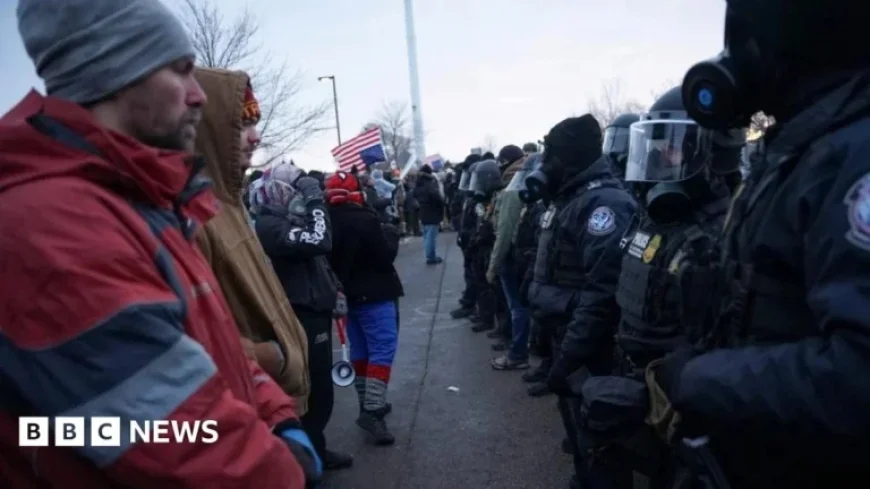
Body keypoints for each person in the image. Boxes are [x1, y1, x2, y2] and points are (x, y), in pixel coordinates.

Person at [0, 1, 319, 487]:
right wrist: (283, 471)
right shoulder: (55, 225)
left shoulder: (142, 201)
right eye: (180, 71)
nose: (199, 97)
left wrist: (281, 418)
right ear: (117, 71)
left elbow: (215, 354)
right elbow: (173, 437)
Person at [652, 1, 870, 487]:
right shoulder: (807, 145)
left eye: (745, 41)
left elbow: (859, 376)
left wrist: (702, 379)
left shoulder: (853, 155)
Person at [576, 87, 745, 489]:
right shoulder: (661, 218)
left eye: (670, 148)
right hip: (648, 392)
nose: (657, 158)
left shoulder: (727, 237)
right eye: (651, 146)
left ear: (714, 152)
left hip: (689, 409)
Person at [525, 115, 637, 488]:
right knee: (579, 433)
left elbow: (601, 296)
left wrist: (569, 358)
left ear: (569, 159)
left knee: (601, 439)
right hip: (568, 336)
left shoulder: (604, 204)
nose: (545, 165)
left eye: (552, 156)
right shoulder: (571, 199)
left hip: (593, 348)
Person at [192, 68, 310, 412]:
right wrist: (273, 357)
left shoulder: (230, 203)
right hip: (250, 412)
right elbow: (197, 341)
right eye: (242, 125)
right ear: (210, 131)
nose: (256, 137)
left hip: (276, 403)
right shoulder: (196, 219)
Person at [249, 162, 354, 471]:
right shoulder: (268, 225)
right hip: (300, 313)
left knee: (321, 391)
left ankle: (315, 449)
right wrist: (314, 199)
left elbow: (317, 258)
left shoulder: (284, 219)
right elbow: (319, 240)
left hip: (315, 308)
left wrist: (334, 289)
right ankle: (303, 460)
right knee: (313, 390)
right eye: (289, 192)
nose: (294, 197)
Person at [325, 171, 404, 446]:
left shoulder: (325, 219)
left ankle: (367, 404)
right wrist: (391, 235)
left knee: (361, 351)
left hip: (347, 297)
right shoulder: (364, 218)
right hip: (375, 295)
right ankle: (372, 410)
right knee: (382, 349)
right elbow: (384, 258)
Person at [507, 153, 553, 396]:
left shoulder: (548, 206)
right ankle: (547, 367)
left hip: (550, 277)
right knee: (542, 324)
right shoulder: (539, 205)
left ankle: (553, 372)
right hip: (533, 268)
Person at [488, 145, 533, 371]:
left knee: (518, 307)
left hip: (513, 256)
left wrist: (492, 267)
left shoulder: (513, 187)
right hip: (526, 255)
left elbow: (504, 232)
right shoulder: (526, 178)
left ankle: (518, 353)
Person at [450, 154, 484, 320]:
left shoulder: (481, 193)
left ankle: (474, 306)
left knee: (476, 276)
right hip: (467, 237)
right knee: (471, 273)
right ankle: (472, 304)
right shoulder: (469, 193)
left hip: (474, 240)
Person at [414, 164, 445, 264]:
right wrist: (442, 203)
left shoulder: (418, 184)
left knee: (427, 235)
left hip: (423, 211)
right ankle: (431, 256)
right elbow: (436, 196)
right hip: (432, 211)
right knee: (431, 237)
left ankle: (430, 255)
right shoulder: (430, 183)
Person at [601, 112, 640, 182]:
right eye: (613, 141)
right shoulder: (604, 173)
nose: (612, 152)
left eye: (621, 142)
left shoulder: (642, 177)